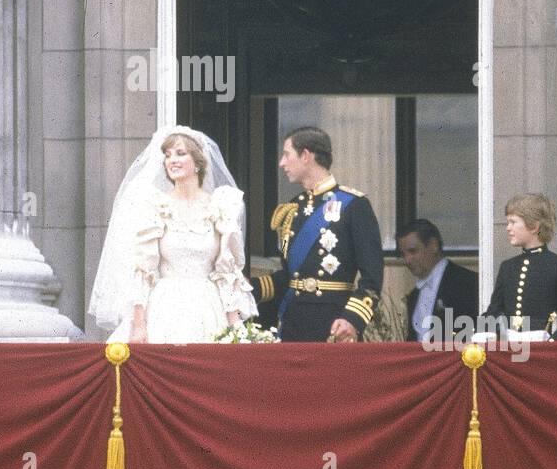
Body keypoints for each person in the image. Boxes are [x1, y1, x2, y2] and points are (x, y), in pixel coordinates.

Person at [88, 127, 256, 343]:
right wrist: (139, 325)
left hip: (208, 307)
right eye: (167, 155)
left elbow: (227, 273)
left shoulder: (220, 207)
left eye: (180, 153)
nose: (172, 160)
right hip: (165, 308)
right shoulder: (155, 206)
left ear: (197, 162)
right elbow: (143, 270)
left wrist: (235, 327)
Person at [252, 127, 384, 342]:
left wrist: (352, 319)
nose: (281, 163)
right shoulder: (293, 208)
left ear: (305, 156)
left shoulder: (354, 205)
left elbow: (372, 278)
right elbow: (289, 278)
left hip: (334, 325)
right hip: (293, 324)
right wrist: (250, 289)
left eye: (286, 154)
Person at [485, 193, 557, 340]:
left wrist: (551, 344)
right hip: (508, 349)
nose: (508, 228)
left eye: (513, 222)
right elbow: (493, 312)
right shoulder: (508, 267)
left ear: (534, 226)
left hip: (541, 350)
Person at [399, 218, 478, 343]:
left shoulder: (467, 283)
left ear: (433, 245)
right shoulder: (413, 296)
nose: (407, 260)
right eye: (403, 254)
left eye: (413, 251)